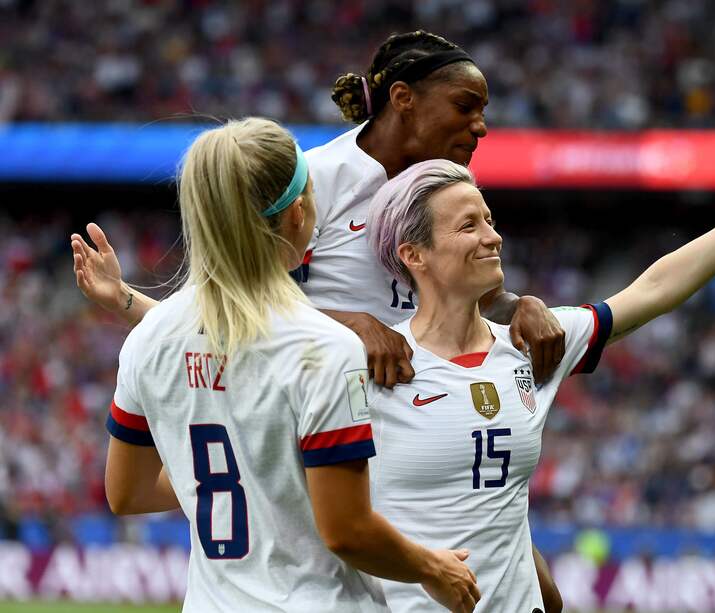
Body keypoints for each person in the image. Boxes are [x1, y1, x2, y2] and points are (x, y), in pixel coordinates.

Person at [70, 29, 565, 612]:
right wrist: (352, 328)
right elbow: (251, 325)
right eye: (466, 107)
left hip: (386, 449)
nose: (480, 127)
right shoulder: (320, 188)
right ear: (299, 213)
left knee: (541, 595)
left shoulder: (159, 340)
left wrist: (517, 305)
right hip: (350, 467)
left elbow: (216, 330)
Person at [362, 127, 715, 612]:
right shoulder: (368, 364)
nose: (493, 237)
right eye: (469, 227)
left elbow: (652, 290)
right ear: (413, 254)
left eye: (489, 220)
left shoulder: (533, 344)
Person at [79, 117, 480, 613]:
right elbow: (348, 532)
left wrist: (246, 482)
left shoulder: (148, 339)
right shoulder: (326, 348)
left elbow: (128, 493)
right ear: (297, 214)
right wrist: (432, 568)